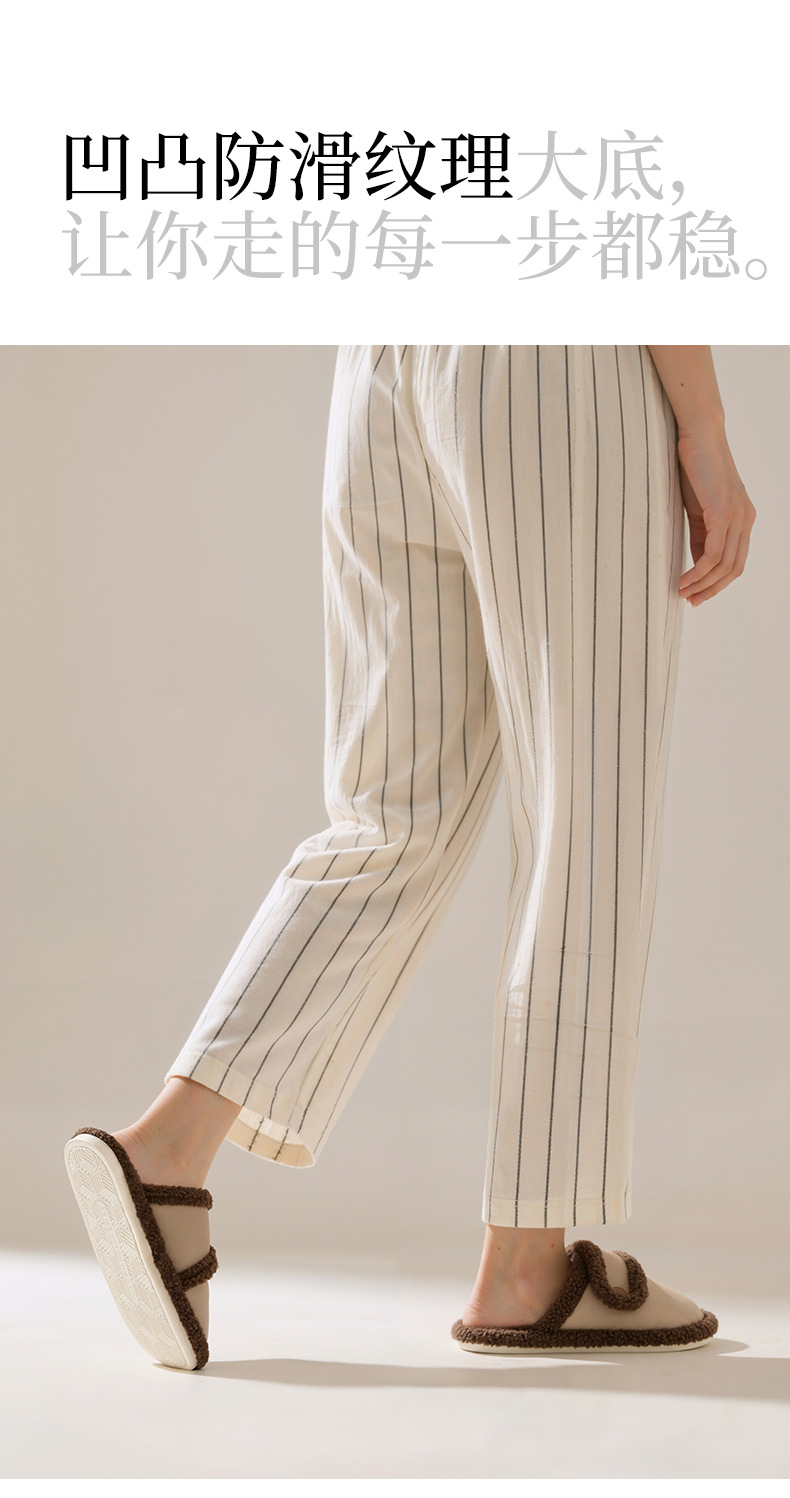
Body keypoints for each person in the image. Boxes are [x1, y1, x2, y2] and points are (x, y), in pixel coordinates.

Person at [65, 345, 756, 1370]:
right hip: (560, 361)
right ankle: (527, 1267)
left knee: (391, 816)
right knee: (587, 816)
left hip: (381, 369)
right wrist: (704, 427)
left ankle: (169, 1148)